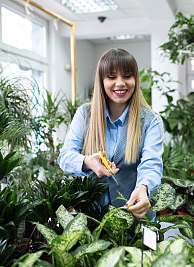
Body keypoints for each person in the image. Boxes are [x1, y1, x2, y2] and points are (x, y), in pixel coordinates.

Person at [58, 48, 164, 218]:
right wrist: (86, 162)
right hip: (91, 218)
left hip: (134, 215)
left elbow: (152, 164)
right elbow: (65, 156)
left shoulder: (151, 121)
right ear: (101, 81)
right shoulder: (85, 115)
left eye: (127, 76)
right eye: (112, 77)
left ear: (135, 80)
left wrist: (144, 187)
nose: (120, 83)